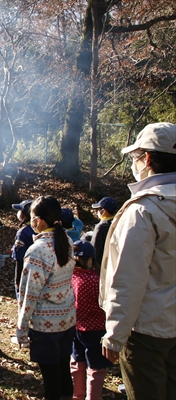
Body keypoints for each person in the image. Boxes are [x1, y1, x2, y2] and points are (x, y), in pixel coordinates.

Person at [99, 122, 176, 400]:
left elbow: (128, 278)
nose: (135, 163)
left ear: (149, 158)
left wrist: (115, 333)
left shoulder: (143, 210)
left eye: (137, 157)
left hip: (145, 331)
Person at [16, 196, 76, 400]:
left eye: (32, 218)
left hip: (46, 326)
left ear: (39, 221)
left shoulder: (37, 251)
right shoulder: (66, 240)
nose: (30, 222)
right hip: (67, 319)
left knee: (51, 378)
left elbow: (28, 294)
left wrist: (21, 328)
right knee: (63, 370)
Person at [70, 240, 112, 400]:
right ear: (90, 260)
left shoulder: (69, 277)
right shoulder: (97, 281)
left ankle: (77, 395)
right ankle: (92, 397)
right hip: (95, 329)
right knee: (96, 367)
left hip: (75, 326)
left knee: (77, 361)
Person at [10, 199, 34, 298]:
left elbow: (19, 260)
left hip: (26, 275)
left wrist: (18, 281)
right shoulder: (41, 228)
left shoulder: (23, 232)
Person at [90, 197, 118, 263]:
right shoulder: (117, 223)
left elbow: (94, 249)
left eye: (99, 209)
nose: (97, 211)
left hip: (101, 263)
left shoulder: (100, 227)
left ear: (104, 211)